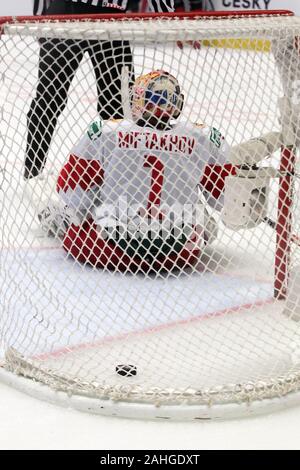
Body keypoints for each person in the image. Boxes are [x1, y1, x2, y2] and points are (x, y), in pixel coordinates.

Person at [38, 69, 283, 273]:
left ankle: (52, 219)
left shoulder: (105, 132)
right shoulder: (202, 137)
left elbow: (72, 193)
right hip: (181, 255)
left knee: (68, 212)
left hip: (107, 251)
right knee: (206, 224)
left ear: (138, 101)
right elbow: (223, 201)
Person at [25, 0, 177, 180]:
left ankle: (120, 176)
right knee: (50, 98)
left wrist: (165, 14)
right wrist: (41, 17)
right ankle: (32, 171)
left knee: (119, 107)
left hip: (111, 17)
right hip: (67, 13)